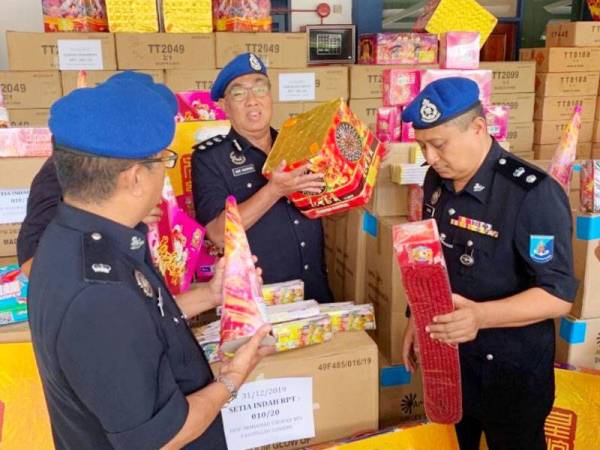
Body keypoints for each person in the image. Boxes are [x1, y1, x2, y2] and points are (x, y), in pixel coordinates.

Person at [28, 72, 273, 449]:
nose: (165, 172)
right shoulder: (96, 295)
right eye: (164, 160)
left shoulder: (81, 236)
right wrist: (232, 379)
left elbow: (140, 317)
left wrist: (210, 294)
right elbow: (161, 438)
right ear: (135, 178)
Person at [399, 78, 577, 450]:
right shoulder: (435, 182)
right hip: (453, 371)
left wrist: (479, 316)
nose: (430, 157)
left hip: (512, 378)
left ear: (478, 128)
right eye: (422, 145)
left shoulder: (532, 194)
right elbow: (434, 264)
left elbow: (557, 296)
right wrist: (416, 318)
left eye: (439, 144)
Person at [192, 52, 333, 302]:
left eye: (260, 89)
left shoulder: (298, 146)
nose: (252, 101)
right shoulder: (209, 159)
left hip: (316, 293)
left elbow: (332, 207)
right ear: (224, 106)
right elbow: (216, 233)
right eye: (239, 93)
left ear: (270, 96)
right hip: (260, 302)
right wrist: (274, 190)